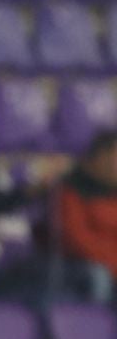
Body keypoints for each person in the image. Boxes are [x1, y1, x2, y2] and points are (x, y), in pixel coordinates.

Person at [56, 130, 117, 303]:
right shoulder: (71, 190)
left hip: (112, 264)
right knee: (98, 276)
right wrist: (113, 265)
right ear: (101, 157)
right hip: (78, 266)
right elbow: (77, 240)